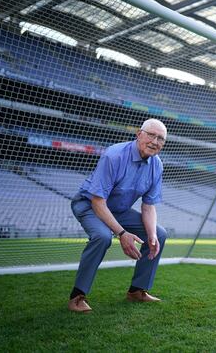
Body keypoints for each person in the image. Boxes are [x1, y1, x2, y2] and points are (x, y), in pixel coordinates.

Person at [67, 119, 168, 313]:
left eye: (161, 139)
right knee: (102, 237)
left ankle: (137, 291)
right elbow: (97, 201)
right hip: (90, 204)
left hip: (118, 210)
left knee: (159, 234)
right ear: (139, 134)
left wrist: (151, 235)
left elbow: (148, 206)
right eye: (151, 135)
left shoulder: (157, 165)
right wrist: (122, 234)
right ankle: (77, 296)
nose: (155, 141)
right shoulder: (114, 155)